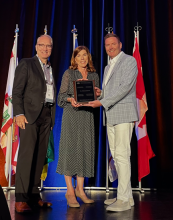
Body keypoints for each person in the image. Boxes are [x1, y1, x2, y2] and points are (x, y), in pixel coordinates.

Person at [85, 33, 138, 212]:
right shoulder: (108, 67)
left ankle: (123, 199)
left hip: (123, 114)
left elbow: (125, 88)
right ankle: (127, 196)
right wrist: (101, 94)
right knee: (117, 157)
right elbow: (113, 91)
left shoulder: (129, 61)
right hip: (111, 115)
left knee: (122, 155)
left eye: (113, 44)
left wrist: (102, 102)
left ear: (120, 44)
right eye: (107, 45)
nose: (110, 47)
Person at [12, 35, 56, 213]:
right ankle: (21, 198)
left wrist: (51, 118)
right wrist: (19, 113)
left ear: (52, 48)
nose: (45, 49)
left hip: (46, 115)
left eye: (49, 46)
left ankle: (33, 196)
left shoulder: (50, 67)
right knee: (27, 156)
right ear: (36, 46)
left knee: (39, 158)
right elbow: (17, 91)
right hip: (29, 116)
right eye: (42, 45)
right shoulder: (27, 63)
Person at [56, 46, 99, 208]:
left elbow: (96, 96)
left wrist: (99, 93)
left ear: (88, 58)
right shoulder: (69, 73)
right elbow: (61, 96)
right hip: (72, 114)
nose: (82, 58)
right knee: (70, 150)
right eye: (79, 56)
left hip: (87, 115)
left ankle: (81, 190)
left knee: (84, 150)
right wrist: (71, 100)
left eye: (85, 55)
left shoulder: (94, 75)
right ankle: (70, 191)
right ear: (74, 58)